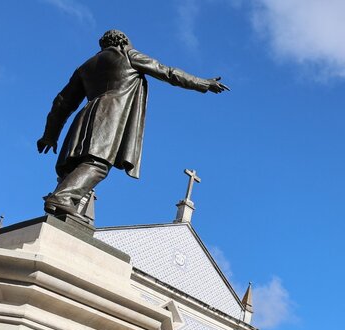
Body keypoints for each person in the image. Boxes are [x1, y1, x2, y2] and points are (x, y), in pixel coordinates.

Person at [37, 29, 229, 220]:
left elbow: (62, 102)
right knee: (98, 164)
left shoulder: (86, 67)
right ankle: (62, 198)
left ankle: (62, 207)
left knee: (77, 165)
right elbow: (168, 72)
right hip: (110, 116)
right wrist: (203, 83)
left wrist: (50, 134)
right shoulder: (128, 55)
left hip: (85, 116)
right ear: (123, 41)